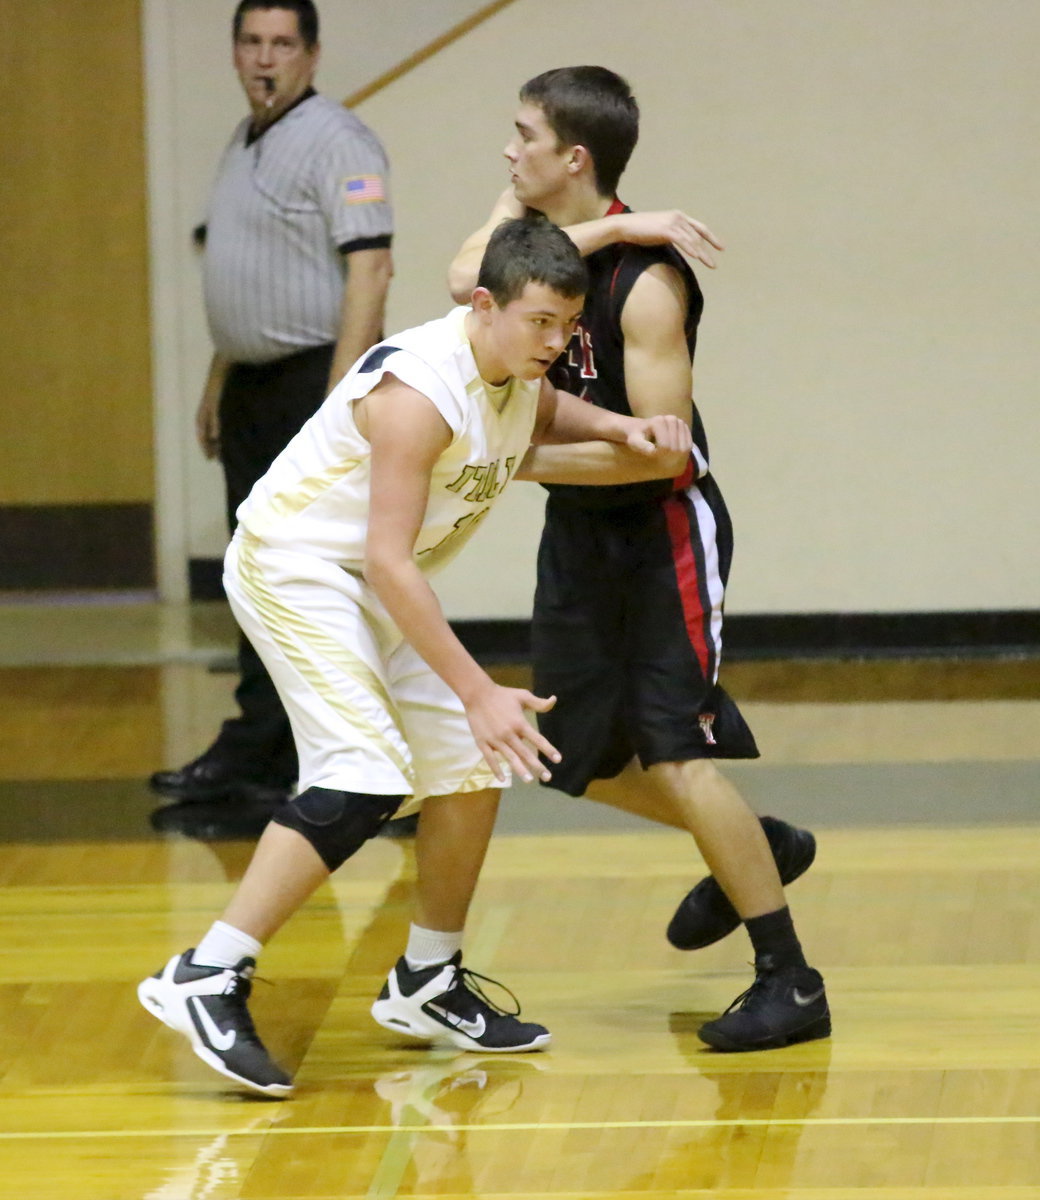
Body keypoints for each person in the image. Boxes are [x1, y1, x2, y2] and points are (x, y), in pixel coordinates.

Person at [137, 216, 693, 1097]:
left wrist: (622, 429)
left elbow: (543, 408)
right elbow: (393, 563)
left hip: (363, 585)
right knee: (361, 773)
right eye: (539, 322)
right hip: (298, 570)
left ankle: (427, 980)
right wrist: (477, 688)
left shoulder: (513, 368)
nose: (555, 343)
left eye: (566, 327)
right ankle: (206, 974)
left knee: (473, 765)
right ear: (485, 304)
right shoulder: (419, 396)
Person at [447, 66, 828, 1052]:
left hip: (660, 531)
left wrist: (512, 459)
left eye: (521, 135)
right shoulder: (542, 249)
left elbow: (657, 447)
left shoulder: (648, 285)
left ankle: (789, 979)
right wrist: (604, 222)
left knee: (674, 747)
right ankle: (756, 841)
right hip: (578, 536)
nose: (506, 150)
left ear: (571, 158)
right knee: (566, 756)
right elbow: (464, 281)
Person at [150, 0, 394, 812]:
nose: (265, 58)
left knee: (317, 577)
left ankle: (380, 766)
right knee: (254, 573)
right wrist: (219, 380)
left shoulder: (339, 141)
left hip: (309, 384)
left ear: (312, 56)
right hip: (255, 386)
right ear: (233, 53)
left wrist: (339, 403)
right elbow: (246, 268)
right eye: (251, 42)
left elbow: (370, 271)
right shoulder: (243, 140)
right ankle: (263, 748)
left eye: (282, 44)